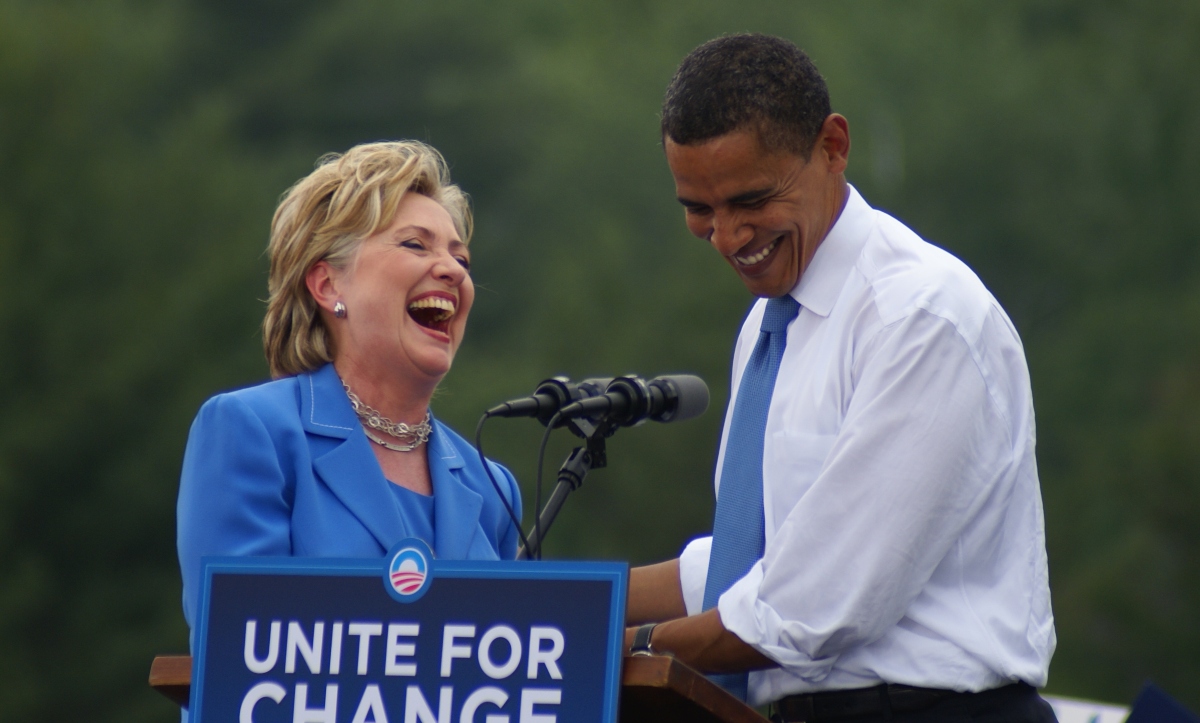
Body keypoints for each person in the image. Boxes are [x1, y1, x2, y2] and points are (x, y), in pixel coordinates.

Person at [624, 35, 1057, 722]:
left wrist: (605, 647)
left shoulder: (920, 315)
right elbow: (758, 562)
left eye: (751, 200)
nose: (727, 237)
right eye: (699, 208)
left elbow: (807, 604)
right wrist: (552, 602)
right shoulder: (770, 323)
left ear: (832, 147)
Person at [176, 140, 523, 640]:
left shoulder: (492, 488)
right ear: (327, 285)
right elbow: (238, 644)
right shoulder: (252, 431)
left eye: (461, 257)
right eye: (415, 245)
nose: (453, 270)